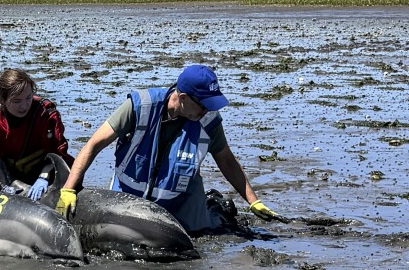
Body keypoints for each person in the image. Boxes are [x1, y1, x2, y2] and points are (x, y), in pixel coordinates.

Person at [56, 64, 280, 232]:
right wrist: (69, 188)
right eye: (203, 105)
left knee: (202, 237)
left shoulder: (209, 121)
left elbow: (227, 161)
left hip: (181, 201)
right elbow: (93, 145)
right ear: (182, 98)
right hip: (129, 198)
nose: (206, 111)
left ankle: (214, 209)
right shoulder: (139, 107)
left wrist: (254, 201)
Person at [0, 68, 72, 201]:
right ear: (3, 99)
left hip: (47, 171)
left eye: (28, 97)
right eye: (16, 101)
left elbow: (59, 153)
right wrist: (2, 187)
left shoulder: (46, 113)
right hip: (12, 176)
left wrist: (45, 176)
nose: (24, 106)